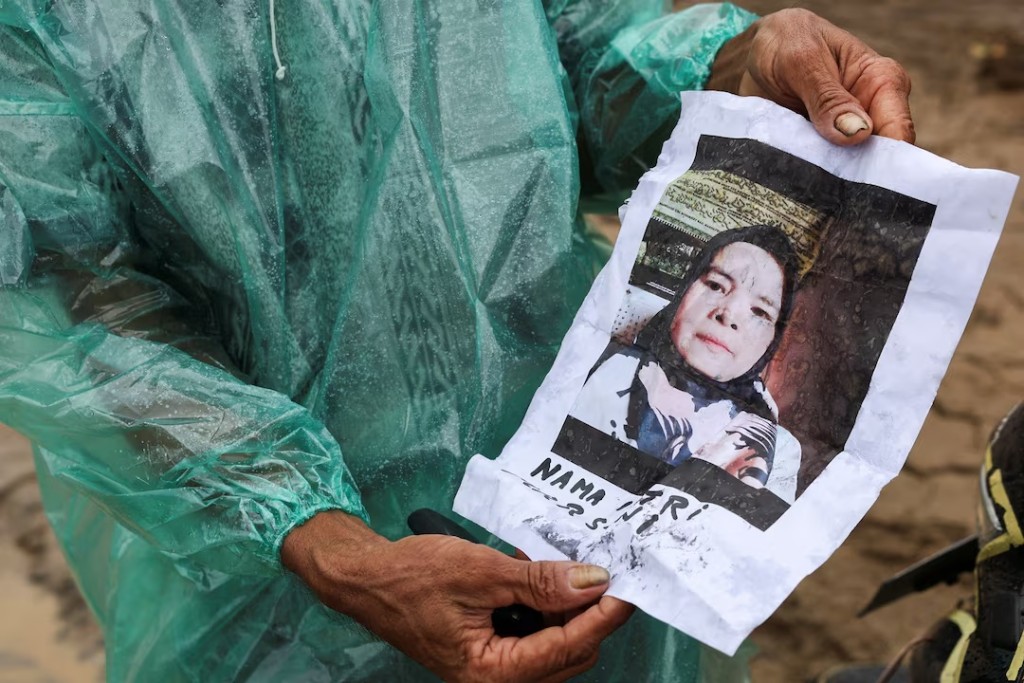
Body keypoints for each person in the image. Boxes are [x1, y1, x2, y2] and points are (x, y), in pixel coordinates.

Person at [0, 2, 914, 681]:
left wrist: (737, 69)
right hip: (266, 589)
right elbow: (66, 305)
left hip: (576, 514)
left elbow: (581, 66)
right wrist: (327, 543)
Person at [570, 225, 802, 502]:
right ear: (682, 292)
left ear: (772, 342)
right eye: (716, 286)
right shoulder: (593, 365)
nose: (729, 314)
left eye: (760, 312)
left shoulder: (776, 453)